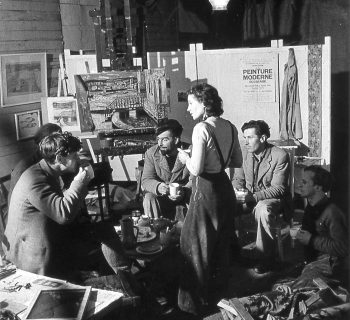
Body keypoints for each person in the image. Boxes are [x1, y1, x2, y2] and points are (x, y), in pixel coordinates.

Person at [2, 133, 131, 280]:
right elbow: (63, 214)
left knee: (104, 230)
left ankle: (121, 279)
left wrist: (81, 172)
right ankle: (121, 281)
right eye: (74, 156)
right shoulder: (34, 179)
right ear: (59, 159)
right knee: (102, 239)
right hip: (32, 255)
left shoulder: (46, 170)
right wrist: (79, 182)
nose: (78, 158)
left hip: (51, 237)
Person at [177, 83, 242, 316]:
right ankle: (218, 299)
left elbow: (195, 169)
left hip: (206, 190)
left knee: (194, 245)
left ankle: (191, 306)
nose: (188, 109)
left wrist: (185, 157)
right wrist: (216, 157)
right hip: (224, 190)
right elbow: (237, 161)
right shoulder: (231, 127)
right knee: (219, 246)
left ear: (205, 104)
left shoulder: (201, 128)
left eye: (191, 104)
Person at [232, 120, 291, 274]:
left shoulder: (280, 155)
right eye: (245, 138)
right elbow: (238, 179)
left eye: (250, 137)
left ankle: (266, 258)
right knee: (221, 206)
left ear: (263, 138)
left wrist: (253, 197)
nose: (246, 142)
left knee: (263, 209)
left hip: (272, 199)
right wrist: (238, 190)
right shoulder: (244, 153)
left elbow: (278, 188)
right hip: (249, 198)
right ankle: (232, 254)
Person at [296, 165, 348, 287]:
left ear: (318, 187)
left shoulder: (332, 212)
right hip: (312, 264)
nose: (299, 185)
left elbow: (343, 248)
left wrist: (311, 239)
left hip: (328, 268)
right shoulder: (311, 206)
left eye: (304, 182)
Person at [142, 119, 191, 220]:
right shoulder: (151, 153)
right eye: (158, 139)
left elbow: (195, 179)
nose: (160, 143)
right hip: (163, 195)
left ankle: (192, 231)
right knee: (149, 197)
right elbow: (146, 179)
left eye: (165, 140)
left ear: (176, 140)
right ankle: (156, 228)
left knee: (194, 195)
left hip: (184, 193)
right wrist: (158, 186)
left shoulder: (190, 152)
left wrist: (183, 191)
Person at [8, 123, 62, 203]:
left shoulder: (54, 160)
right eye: (55, 141)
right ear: (43, 143)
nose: (61, 144)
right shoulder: (25, 168)